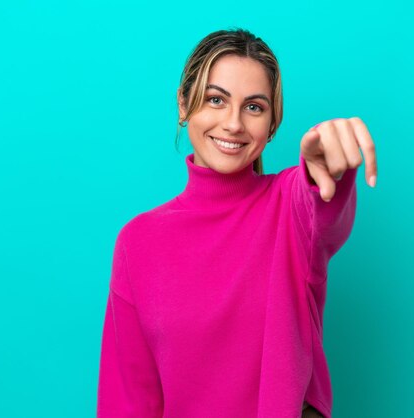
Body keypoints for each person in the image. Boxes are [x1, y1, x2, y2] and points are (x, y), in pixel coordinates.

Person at [96, 28, 378, 418]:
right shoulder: (137, 241)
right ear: (183, 103)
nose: (233, 124)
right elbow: (127, 401)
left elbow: (322, 209)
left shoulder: (290, 206)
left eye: (254, 107)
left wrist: (328, 165)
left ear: (272, 124)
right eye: (216, 100)